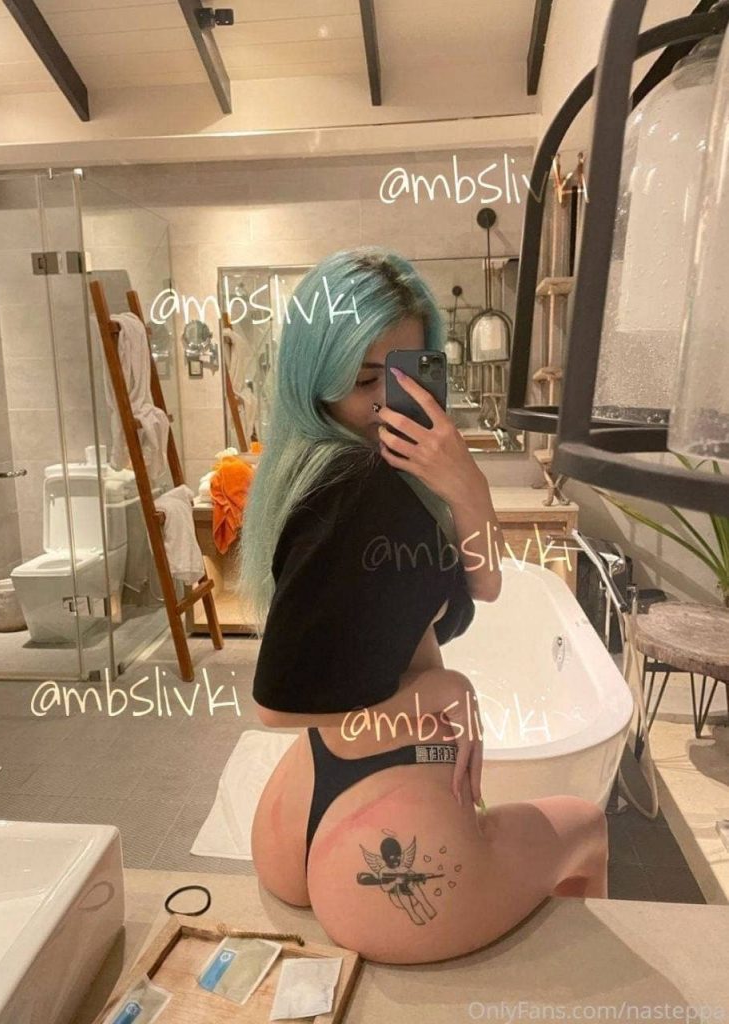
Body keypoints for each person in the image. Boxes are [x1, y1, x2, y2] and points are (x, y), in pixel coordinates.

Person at [237, 247, 609, 965]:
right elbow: (275, 706)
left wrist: (466, 486)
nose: (386, 402)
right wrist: (442, 688)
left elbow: (484, 585)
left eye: (404, 374)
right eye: (363, 379)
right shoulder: (360, 487)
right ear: (317, 377)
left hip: (306, 799)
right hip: (391, 810)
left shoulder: (316, 471)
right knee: (587, 825)